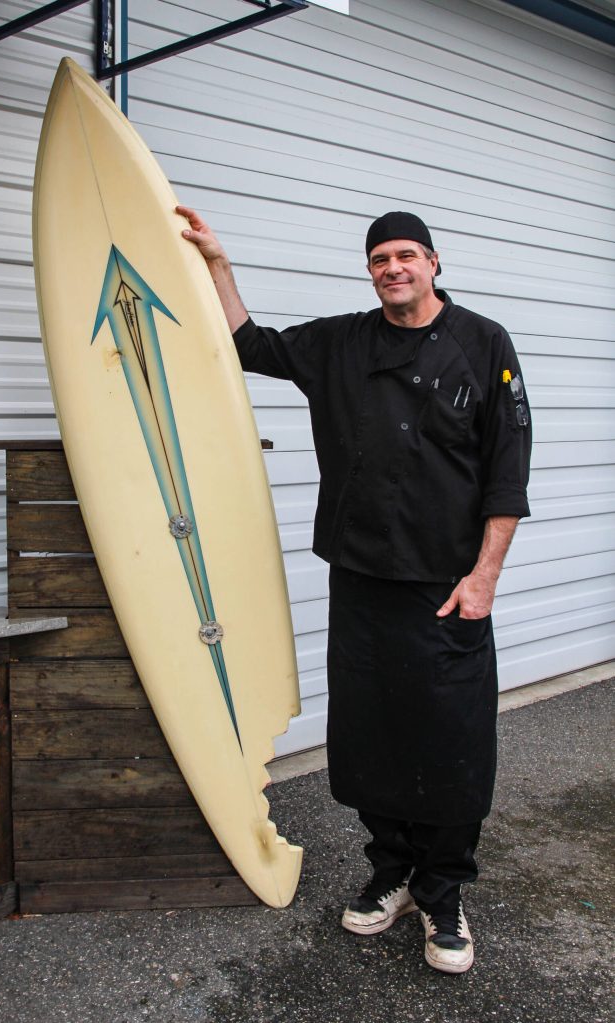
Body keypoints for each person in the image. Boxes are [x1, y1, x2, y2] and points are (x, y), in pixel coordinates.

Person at [178, 204, 532, 974]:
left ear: (434, 263)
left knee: (450, 742)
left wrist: (484, 577)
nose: (393, 268)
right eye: (380, 259)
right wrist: (216, 263)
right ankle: (393, 871)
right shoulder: (342, 341)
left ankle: (444, 893)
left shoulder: (484, 344)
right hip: (362, 578)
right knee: (373, 732)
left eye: (407, 255)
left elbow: (507, 471)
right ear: (370, 271)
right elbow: (249, 345)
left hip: (446, 586)